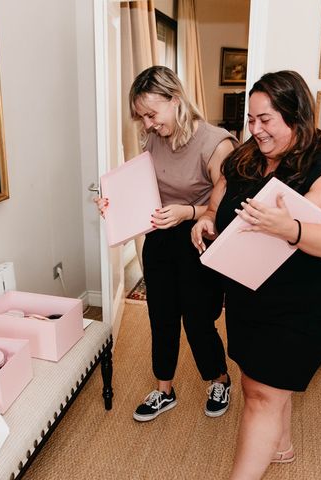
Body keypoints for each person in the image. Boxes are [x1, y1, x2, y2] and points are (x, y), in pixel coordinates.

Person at [191, 70, 321, 479]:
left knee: (263, 394)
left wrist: (291, 229)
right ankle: (279, 445)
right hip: (250, 292)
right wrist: (207, 220)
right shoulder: (247, 157)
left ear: (296, 117)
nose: (256, 129)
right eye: (251, 119)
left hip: (302, 301)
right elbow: (218, 204)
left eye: (266, 120)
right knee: (256, 380)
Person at [96, 66, 237, 421]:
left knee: (198, 319)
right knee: (160, 316)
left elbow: (231, 205)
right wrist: (113, 204)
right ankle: (164, 390)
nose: (147, 124)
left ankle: (219, 378)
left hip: (198, 237)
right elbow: (143, 188)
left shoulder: (216, 143)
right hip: (159, 236)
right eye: (141, 117)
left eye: (151, 114)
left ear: (175, 100)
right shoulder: (154, 138)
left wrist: (188, 212)